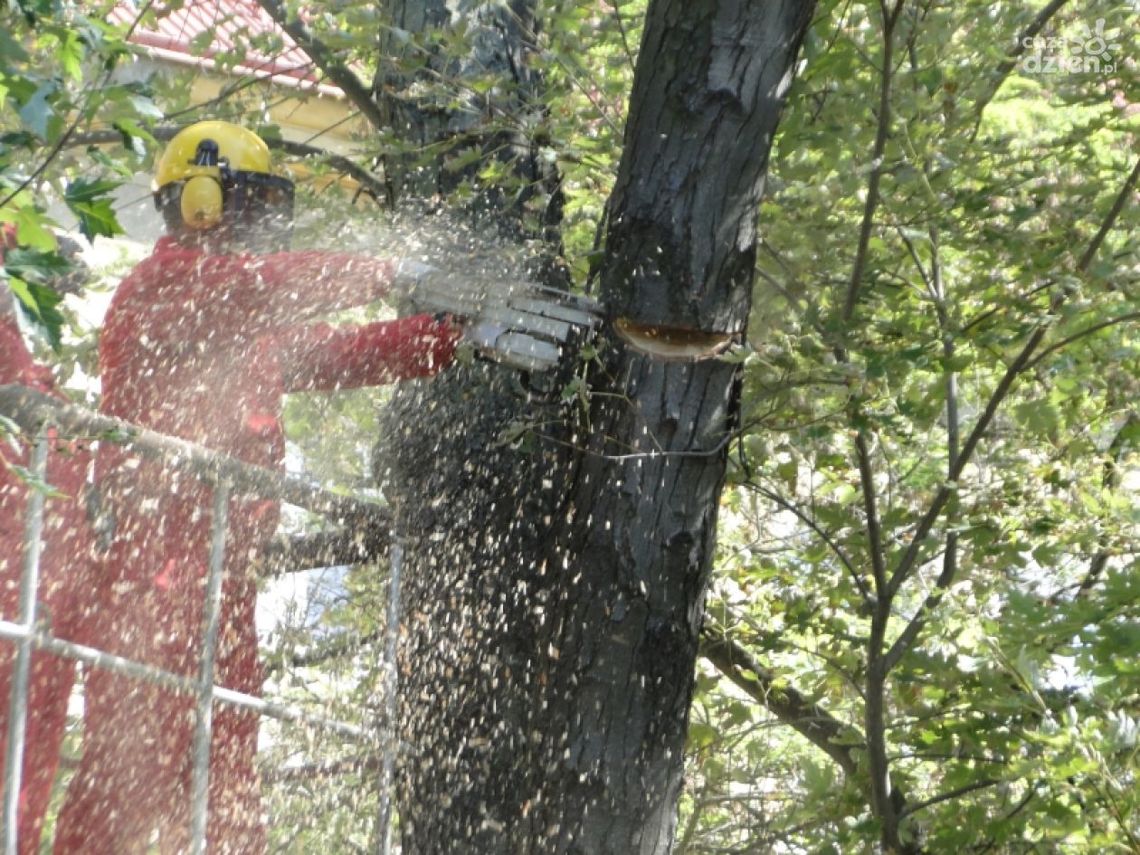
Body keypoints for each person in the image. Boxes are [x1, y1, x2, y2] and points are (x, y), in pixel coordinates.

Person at [53, 121, 461, 854]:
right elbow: (267, 287)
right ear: (201, 200)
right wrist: (388, 272)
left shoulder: (239, 318)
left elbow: (340, 353)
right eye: (252, 205)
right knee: (126, 777)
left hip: (224, 581)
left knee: (229, 788)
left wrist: (450, 334)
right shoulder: (164, 288)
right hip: (151, 574)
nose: (262, 229)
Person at [0, 223, 95, 854]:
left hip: (47, 611)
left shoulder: (43, 377)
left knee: (24, 781)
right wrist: (24, 233)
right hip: (14, 595)